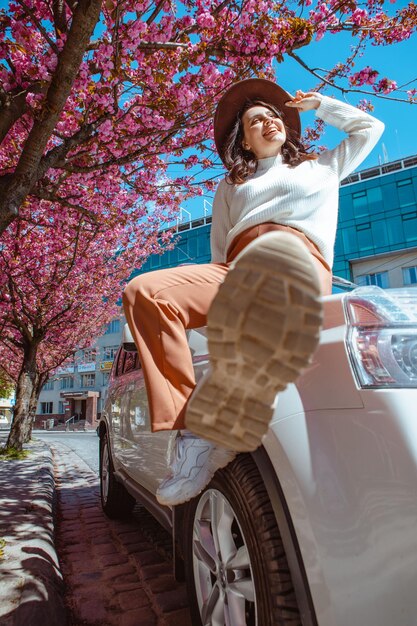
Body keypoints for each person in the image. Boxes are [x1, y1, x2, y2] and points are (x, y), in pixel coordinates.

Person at [123, 78, 384, 506]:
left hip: (295, 264)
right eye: (255, 121)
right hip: (236, 270)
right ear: (243, 141)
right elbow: (220, 250)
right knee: (143, 291)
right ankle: (195, 433)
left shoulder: (321, 167)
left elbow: (370, 130)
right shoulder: (231, 186)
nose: (267, 123)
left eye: (272, 116)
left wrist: (321, 105)